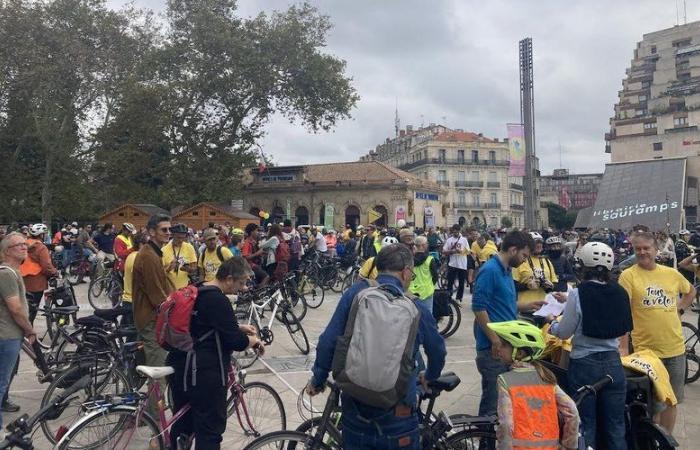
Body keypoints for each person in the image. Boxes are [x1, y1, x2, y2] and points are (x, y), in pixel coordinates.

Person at [307, 244, 446, 450]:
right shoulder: (416, 307)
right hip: (397, 416)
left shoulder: (356, 293)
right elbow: (438, 351)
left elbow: (328, 341)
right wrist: (430, 375)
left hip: (355, 410)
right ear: (406, 271)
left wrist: (318, 379)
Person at [168, 258, 264, 450]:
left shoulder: (199, 288)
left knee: (183, 425)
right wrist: (253, 341)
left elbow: (205, 325)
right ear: (229, 279)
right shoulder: (218, 300)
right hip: (205, 374)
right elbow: (235, 342)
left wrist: (239, 327)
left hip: (181, 367)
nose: (243, 288)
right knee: (210, 432)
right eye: (241, 283)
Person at [549, 242, 632, 449]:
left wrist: (552, 324)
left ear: (583, 266)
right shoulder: (620, 291)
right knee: (615, 425)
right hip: (613, 363)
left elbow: (564, 332)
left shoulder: (578, 293)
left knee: (586, 425)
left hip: (585, 364)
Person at [618, 231, 695, 433]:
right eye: (638, 249)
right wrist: (624, 346)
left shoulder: (671, 274)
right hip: (646, 352)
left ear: (656, 250)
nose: (642, 252)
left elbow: (690, 291)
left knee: (672, 399)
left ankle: (666, 440)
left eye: (646, 248)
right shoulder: (628, 276)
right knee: (651, 403)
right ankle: (651, 441)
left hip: (675, 348)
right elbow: (623, 313)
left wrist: (680, 309)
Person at [488, 320, 580, 450]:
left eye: (503, 345)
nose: (498, 348)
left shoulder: (505, 380)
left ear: (519, 353)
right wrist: (569, 445)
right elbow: (572, 411)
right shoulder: (547, 377)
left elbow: (506, 424)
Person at [472, 230, 533, 417]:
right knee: (492, 408)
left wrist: (528, 305)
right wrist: (495, 340)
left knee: (503, 408)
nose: (524, 260)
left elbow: (503, 303)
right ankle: (485, 443)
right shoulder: (490, 270)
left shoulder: (507, 271)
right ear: (513, 250)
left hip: (506, 347)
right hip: (493, 350)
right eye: (524, 255)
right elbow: (478, 307)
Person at [132, 214, 174, 411]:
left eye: (169, 229)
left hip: (152, 317)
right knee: (159, 373)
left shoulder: (154, 253)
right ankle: (156, 424)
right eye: (163, 229)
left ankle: (150, 413)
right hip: (151, 319)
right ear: (151, 232)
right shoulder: (149, 256)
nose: (168, 233)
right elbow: (157, 295)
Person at [0, 233, 36, 431]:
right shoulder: (6, 273)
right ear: (7, 251)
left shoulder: (13, 271)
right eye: (19, 245)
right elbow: (15, 309)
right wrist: (30, 329)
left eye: (25, 244)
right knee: (1, 382)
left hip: (10, 335)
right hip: (6, 336)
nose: (24, 247)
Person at [512, 232, 558, 315]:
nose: (539, 245)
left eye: (541, 242)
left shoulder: (547, 261)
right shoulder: (521, 260)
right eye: (536, 242)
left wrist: (551, 286)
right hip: (525, 310)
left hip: (544, 310)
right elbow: (512, 286)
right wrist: (527, 286)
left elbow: (555, 282)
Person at [20, 224, 57, 324]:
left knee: (24, 309)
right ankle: (28, 336)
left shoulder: (24, 244)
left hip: (21, 280)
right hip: (36, 282)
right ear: (41, 235)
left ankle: (25, 333)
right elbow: (46, 266)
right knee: (32, 310)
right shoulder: (41, 247)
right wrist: (55, 272)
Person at [121, 232, 148, 328]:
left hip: (128, 300)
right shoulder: (139, 258)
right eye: (148, 244)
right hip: (135, 303)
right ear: (141, 244)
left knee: (130, 337)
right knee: (134, 338)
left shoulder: (131, 255)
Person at [163, 223, 198, 290]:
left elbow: (194, 268)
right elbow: (159, 274)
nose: (181, 240)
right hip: (169, 289)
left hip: (185, 289)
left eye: (183, 238)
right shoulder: (164, 250)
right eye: (178, 238)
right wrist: (169, 268)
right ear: (172, 235)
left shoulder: (189, 247)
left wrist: (188, 269)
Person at [409, 235, 438, 313]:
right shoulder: (430, 259)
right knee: (427, 315)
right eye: (426, 243)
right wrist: (431, 284)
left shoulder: (409, 259)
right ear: (422, 245)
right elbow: (435, 276)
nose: (427, 245)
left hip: (412, 292)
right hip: (427, 291)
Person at [442, 224, 470, 302]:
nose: (455, 233)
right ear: (452, 231)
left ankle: (459, 298)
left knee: (461, 283)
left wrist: (461, 251)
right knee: (450, 282)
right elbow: (444, 251)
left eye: (457, 232)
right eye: (454, 232)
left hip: (462, 264)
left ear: (459, 231)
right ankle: (448, 297)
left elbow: (468, 251)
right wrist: (452, 251)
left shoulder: (464, 240)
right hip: (452, 264)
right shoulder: (449, 240)